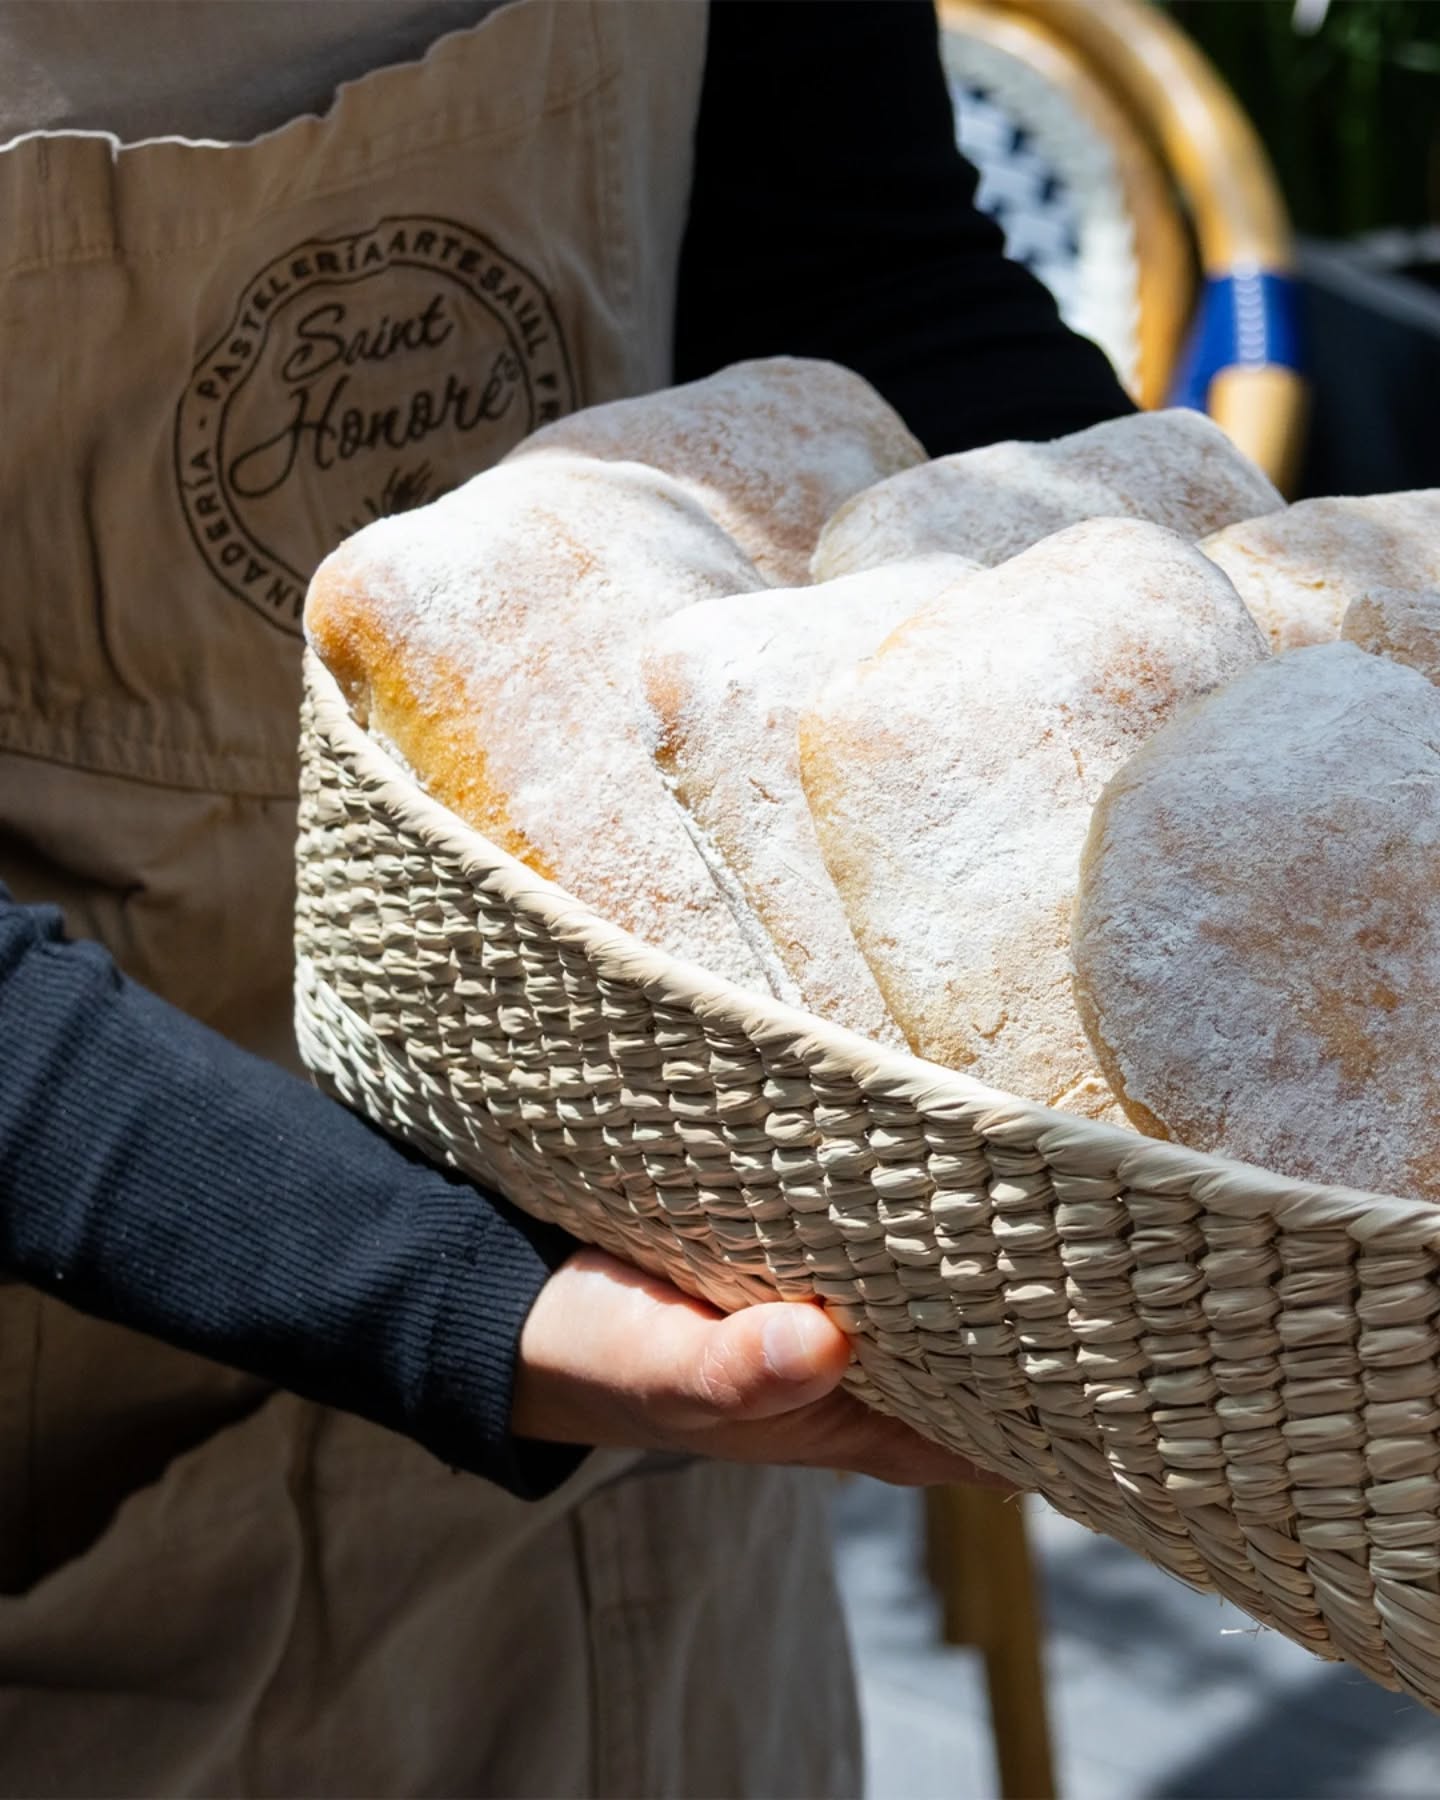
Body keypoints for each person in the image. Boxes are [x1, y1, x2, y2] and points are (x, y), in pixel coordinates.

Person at [0, 1, 1133, 1793]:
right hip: (81, 1496)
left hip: (671, 1456)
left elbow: (858, 270)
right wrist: (462, 1300)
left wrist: (1195, 657)